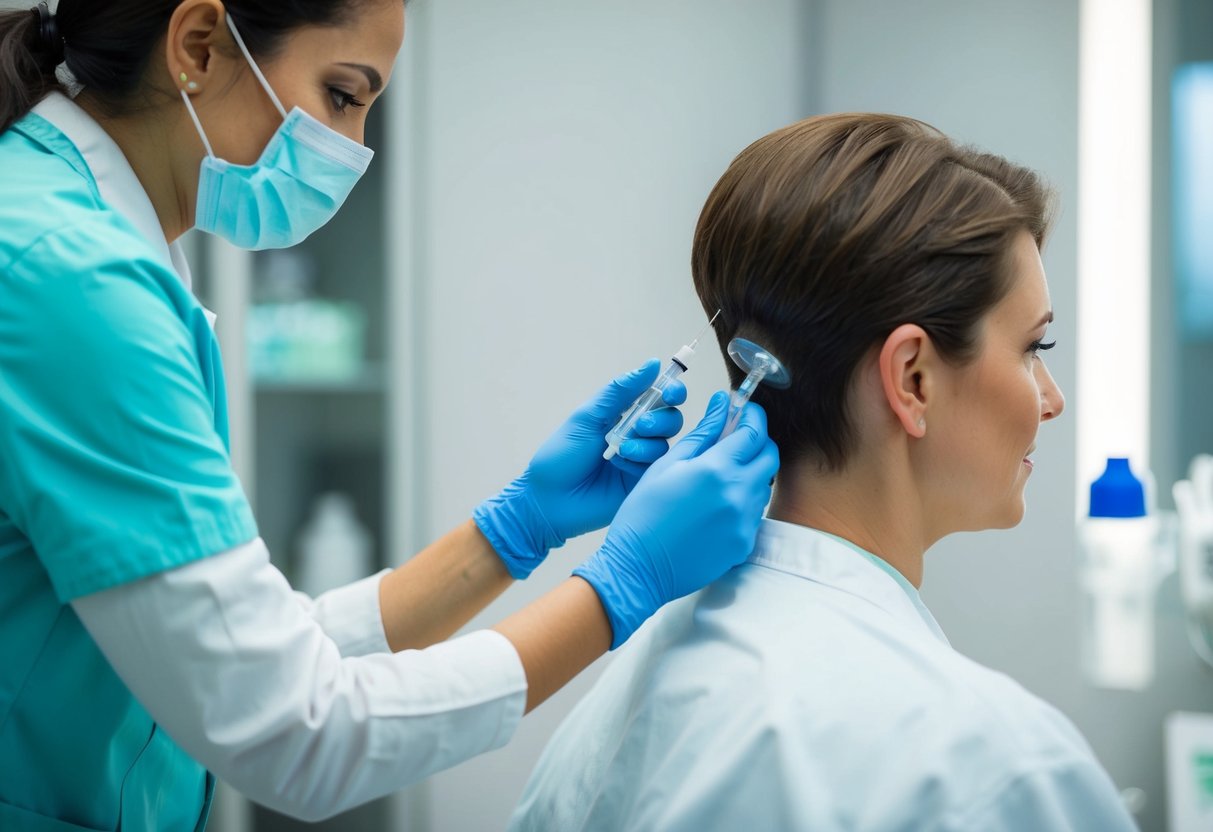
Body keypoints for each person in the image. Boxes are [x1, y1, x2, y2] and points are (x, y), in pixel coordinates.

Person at [0, 1, 780, 829]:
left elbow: (241, 650)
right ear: (198, 44)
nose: (354, 151)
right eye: (342, 95)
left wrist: (514, 530)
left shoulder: (74, 234)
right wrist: (620, 587)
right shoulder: (69, 278)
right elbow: (293, 730)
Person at [510, 113, 1139, 831]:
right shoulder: (993, 766)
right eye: (1033, 348)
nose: (1050, 400)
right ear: (913, 381)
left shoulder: (622, 700)